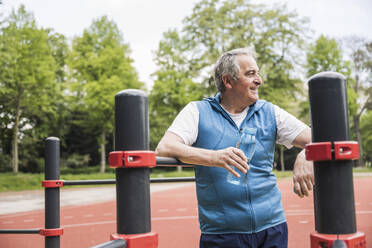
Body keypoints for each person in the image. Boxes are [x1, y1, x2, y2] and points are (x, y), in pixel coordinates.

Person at [155, 47, 313, 248]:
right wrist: (215, 158)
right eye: (250, 74)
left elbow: (316, 139)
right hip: (222, 235)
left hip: (273, 228)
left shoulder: (269, 112)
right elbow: (165, 147)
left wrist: (306, 154)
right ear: (227, 81)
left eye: (257, 73)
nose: (259, 80)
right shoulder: (197, 111)